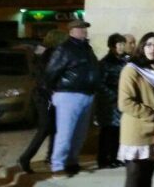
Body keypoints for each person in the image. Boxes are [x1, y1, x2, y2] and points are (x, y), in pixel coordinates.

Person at [43, 18, 102, 176]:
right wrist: (53, 90)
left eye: (85, 28)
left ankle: (72, 162)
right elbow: (51, 72)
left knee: (79, 134)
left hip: (86, 94)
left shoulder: (86, 48)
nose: (84, 30)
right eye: (81, 28)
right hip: (69, 94)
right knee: (66, 132)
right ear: (72, 30)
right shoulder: (65, 48)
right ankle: (58, 166)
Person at [119, 31, 154, 187]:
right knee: (134, 178)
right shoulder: (131, 70)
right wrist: (153, 114)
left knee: (147, 179)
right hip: (137, 130)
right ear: (142, 47)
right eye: (149, 44)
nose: (153, 48)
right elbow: (125, 102)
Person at [18, 29, 68, 174]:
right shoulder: (50, 55)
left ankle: (51, 157)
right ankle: (25, 158)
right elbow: (47, 77)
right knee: (45, 128)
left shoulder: (48, 54)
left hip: (48, 96)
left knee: (54, 128)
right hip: (45, 97)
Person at [97, 32, 129, 169]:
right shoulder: (106, 62)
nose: (121, 47)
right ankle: (104, 158)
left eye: (123, 44)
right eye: (119, 44)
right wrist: (112, 95)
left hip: (122, 100)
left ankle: (116, 156)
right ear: (112, 46)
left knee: (119, 131)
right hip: (109, 103)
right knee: (108, 131)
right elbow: (100, 83)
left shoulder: (126, 60)